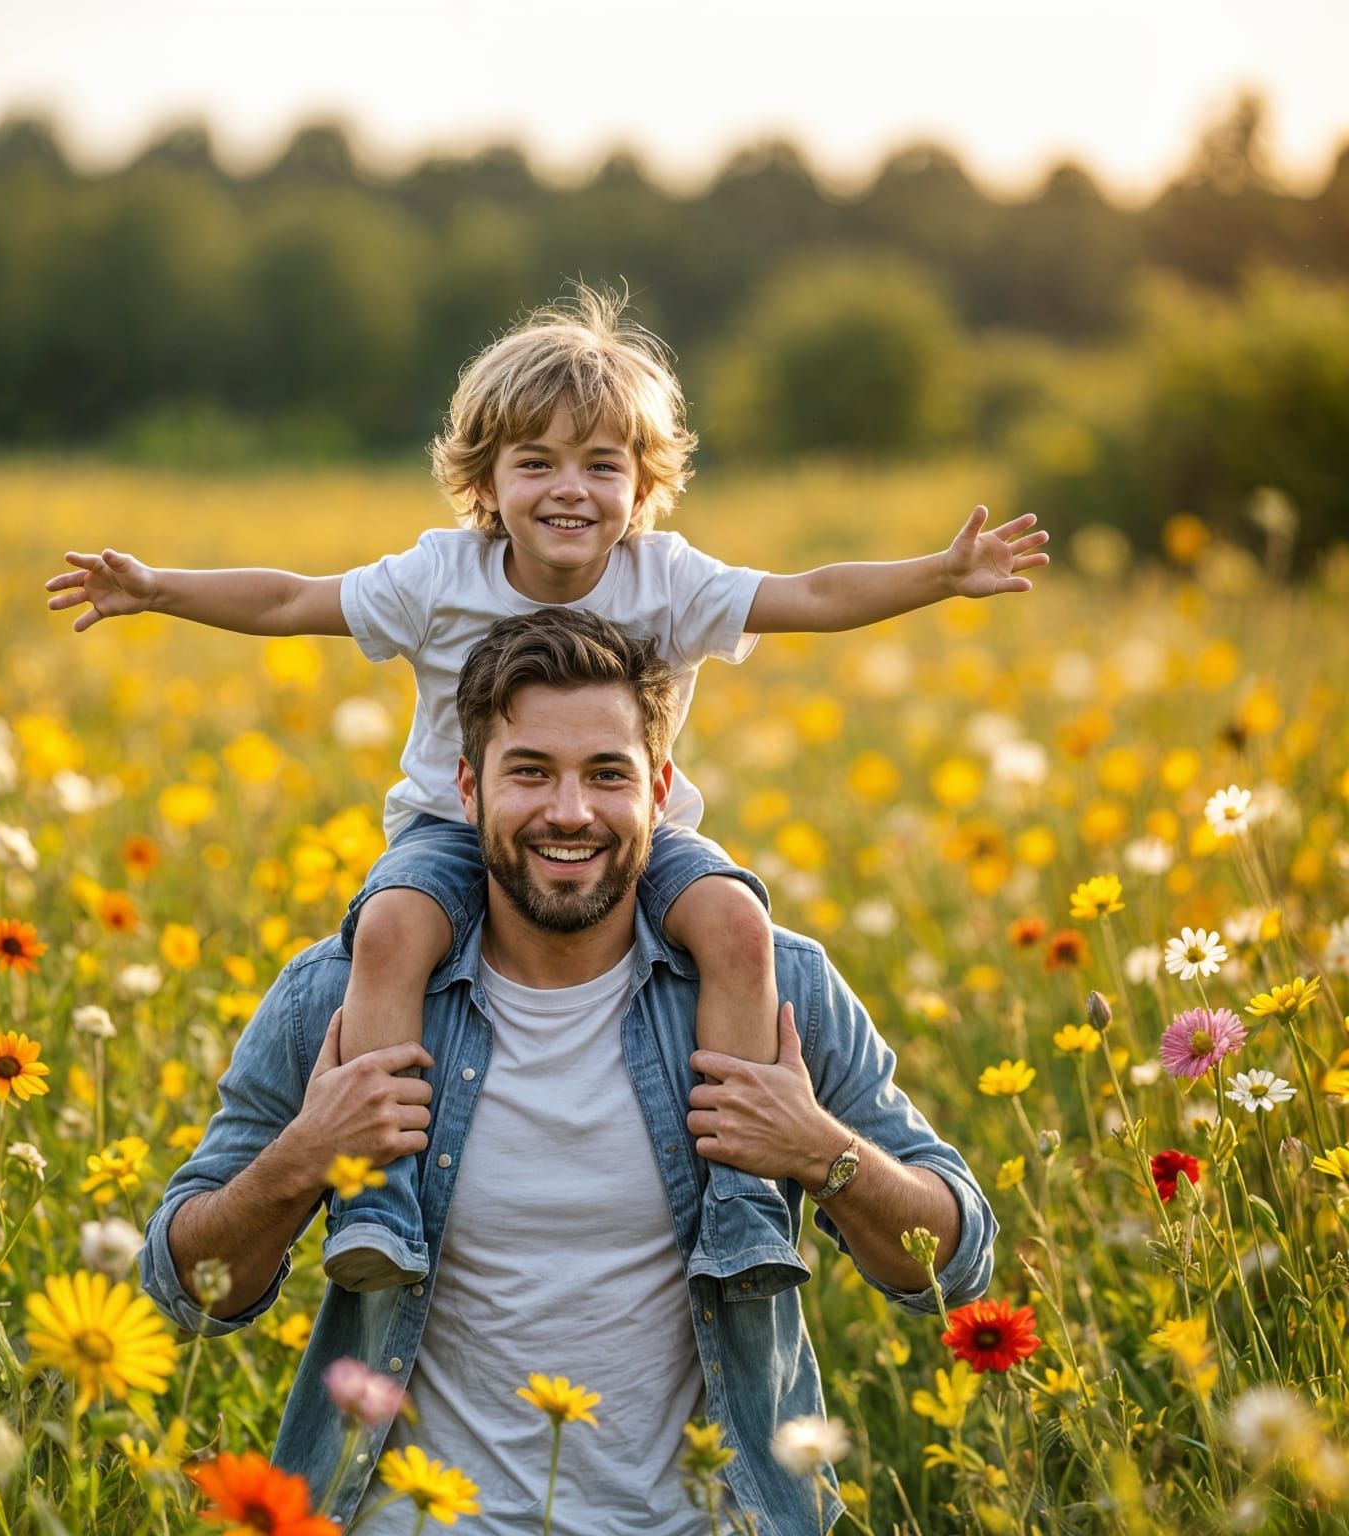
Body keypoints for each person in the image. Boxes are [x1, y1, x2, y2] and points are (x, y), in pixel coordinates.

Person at [52, 283, 1045, 1296]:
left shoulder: (670, 580)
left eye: (601, 464)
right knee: (390, 932)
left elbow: (816, 594)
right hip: (453, 831)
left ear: (643, 484)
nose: (570, 489)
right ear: (485, 482)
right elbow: (292, 598)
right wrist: (156, 588)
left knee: (739, 931)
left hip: (639, 840)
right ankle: (380, 1204)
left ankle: (744, 1211)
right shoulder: (441, 575)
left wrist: (940, 571)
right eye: (536, 462)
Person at [139, 606, 999, 1536]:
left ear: (661, 790)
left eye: (607, 775)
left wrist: (820, 1151)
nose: (569, 812)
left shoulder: (773, 987)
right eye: (530, 772)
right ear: (467, 787)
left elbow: (959, 1265)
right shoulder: (339, 998)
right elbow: (185, 1291)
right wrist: (305, 1155)